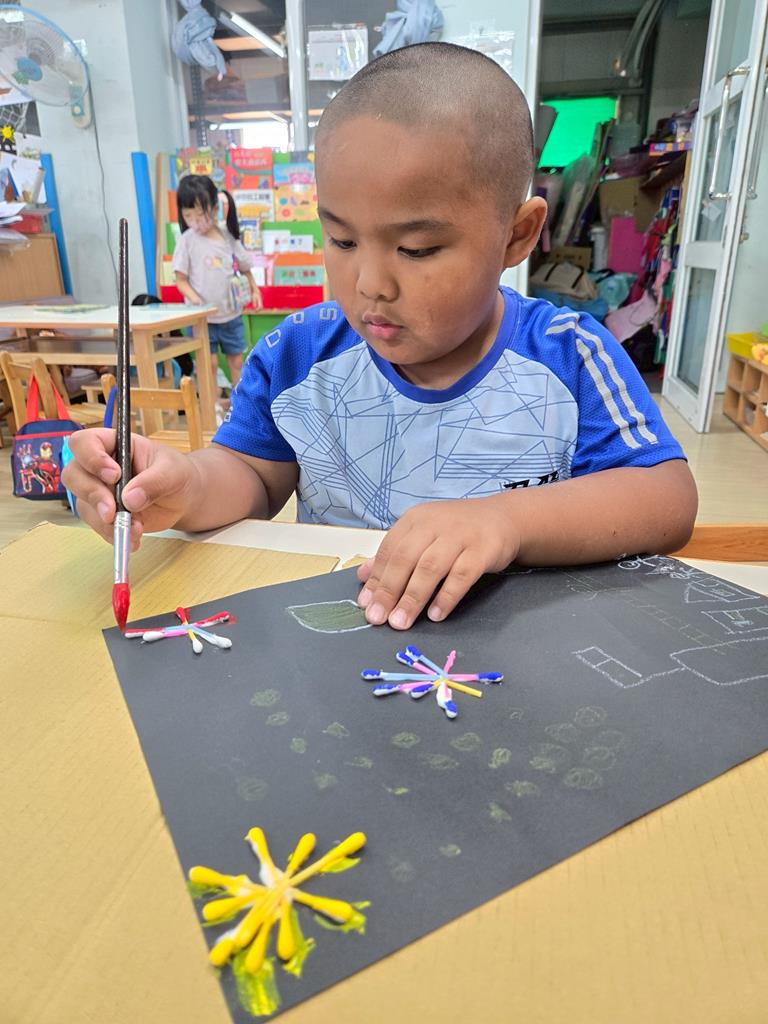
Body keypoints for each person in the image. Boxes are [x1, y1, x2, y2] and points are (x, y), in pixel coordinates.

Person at [63, 42, 697, 632]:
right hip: (341, 644)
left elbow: (666, 498)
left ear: (518, 235)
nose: (369, 284)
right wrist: (184, 486)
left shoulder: (568, 354)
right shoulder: (299, 354)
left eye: (416, 249)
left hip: (510, 651)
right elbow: (252, 478)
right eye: (341, 240)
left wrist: (506, 521)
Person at [172, 174, 260, 391]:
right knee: (208, 364)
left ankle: (238, 403)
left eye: (200, 214)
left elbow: (245, 267)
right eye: (188, 215)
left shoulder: (227, 235)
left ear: (214, 208)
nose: (195, 221)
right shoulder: (186, 240)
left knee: (236, 361)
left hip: (231, 314)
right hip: (202, 319)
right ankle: (211, 406)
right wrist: (196, 300)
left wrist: (255, 289)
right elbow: (180, 280)